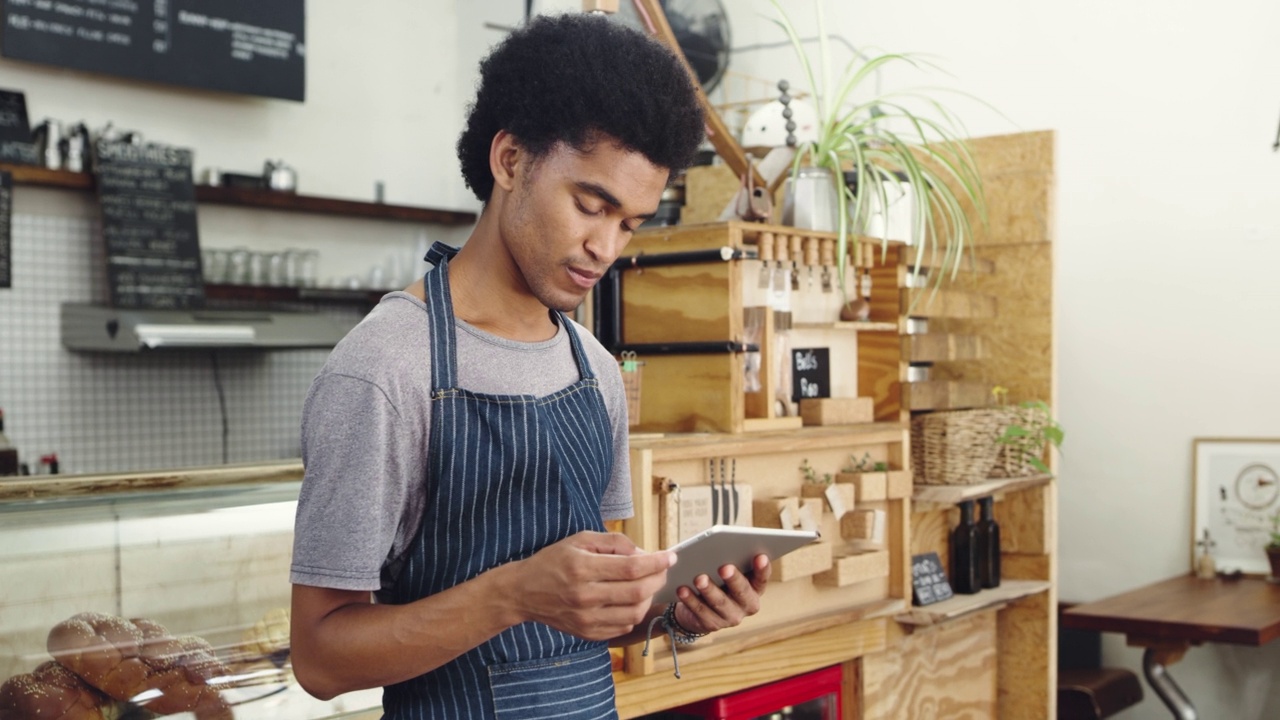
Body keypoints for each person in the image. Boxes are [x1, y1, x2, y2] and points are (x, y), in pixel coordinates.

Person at [288, 12, 772, 720]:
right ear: (511, 160)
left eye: (629, 224)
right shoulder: (385, 368)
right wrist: (511, 593)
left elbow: (600, 612)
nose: (605, 247)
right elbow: (321, 659)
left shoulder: (596, 373)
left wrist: (676, 611)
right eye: (590, 205)